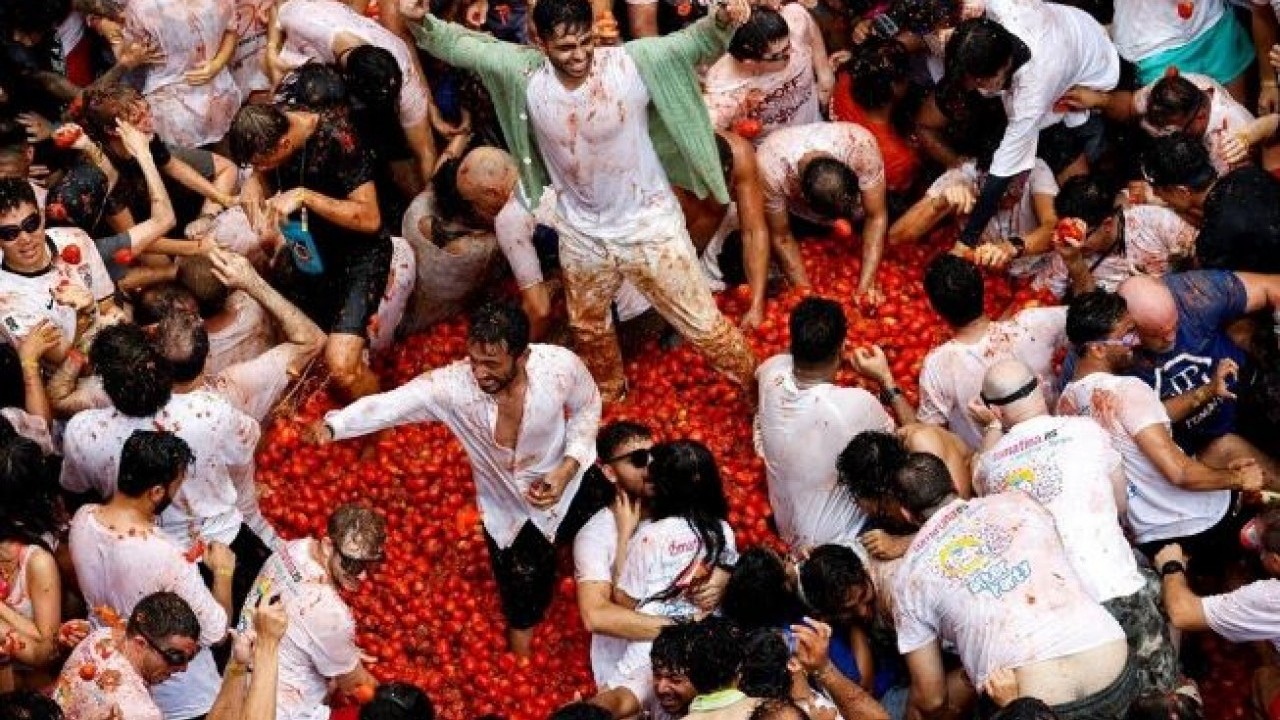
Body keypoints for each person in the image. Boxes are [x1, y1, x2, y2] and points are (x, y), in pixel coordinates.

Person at [397, 0, 759, 403]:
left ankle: (758, 393)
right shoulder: (524, 73)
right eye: (566, 48)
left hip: (649, 224)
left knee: (704, 325)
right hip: (582, 231)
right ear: (539, 42)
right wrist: (420, 21)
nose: (580, 56)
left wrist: (724, 19)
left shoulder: (631, 64)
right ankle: (609, 394)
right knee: (588, 325)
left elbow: (694, 42)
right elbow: (464, 47)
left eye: (586, 42)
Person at [310, 303, 601, 656]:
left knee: (608, 514)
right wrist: (335, 425)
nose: (479, 373)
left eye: (492, 364)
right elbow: (392, 404)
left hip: (570, 483)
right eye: (474, 360)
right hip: (508, 512)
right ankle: (520, 660)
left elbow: (587, 406)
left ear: (523, 356)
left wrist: (568, 466)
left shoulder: (559, 368)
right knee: (522, 598)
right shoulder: (453, 388)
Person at [971, 359, 1180, 702]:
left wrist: (992, 428)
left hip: (1066, 618)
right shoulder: (1087, 431)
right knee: (1161, 698)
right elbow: (1121, 505)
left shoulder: (991, 466)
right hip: (1117, 585)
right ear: (1040, 384)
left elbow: (981, 481)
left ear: (995, 409)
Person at [59, 323, 264, 615]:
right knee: (237, 631)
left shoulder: (83, 431)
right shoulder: (210, 411)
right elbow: (248, 444)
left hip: (137, 558)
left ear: (102, 382)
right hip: (219, 545)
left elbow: (75, 493)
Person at [1059, 290, 1266, 564]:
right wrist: (1239, 480)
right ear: (1098, 348)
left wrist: (1207, 391)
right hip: (1199, 520)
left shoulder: (1067, 403)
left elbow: (1141, 422)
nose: (1137, 341)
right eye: (1129, 333)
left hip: (1150, 535)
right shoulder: (1127, 389)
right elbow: (1180, 473)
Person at [152, 248, 327, 550]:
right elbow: (313, 339)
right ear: (207, 358)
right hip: (239, 519)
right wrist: (253, 282)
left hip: (173, 539)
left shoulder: (127, 408)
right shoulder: (235, 388)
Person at [226, 101, 390, 400]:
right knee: (294, 332)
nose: (260, 170)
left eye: (262, 163)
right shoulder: (274, 116)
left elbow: (370, 219)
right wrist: (252, 181)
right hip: (308, 242)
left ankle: (381, 427)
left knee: (340, 366)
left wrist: (305, 196)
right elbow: (259, 171)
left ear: (284, 143)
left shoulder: (339, 140)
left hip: (359, 252)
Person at [69, 430, 232, 720]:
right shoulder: (166, 554)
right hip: (177, 696)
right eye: (176, 486)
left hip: (112, 663)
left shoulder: (83, 518)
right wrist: (223, 572)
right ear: (156, 492)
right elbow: (216, 633)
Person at [943, 3, 1119, 257]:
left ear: (1004, 66)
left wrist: (966, 241)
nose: (973, 88)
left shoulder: (1032, 91)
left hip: (1095, 67)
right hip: (1074, 28)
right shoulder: (1002, 8)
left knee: (1082, 139)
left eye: (980, 81)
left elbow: (1002, 172)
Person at [596, 441, 737, 718]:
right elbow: (729, 565)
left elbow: (624, 600)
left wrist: (625, 533)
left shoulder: (651, 536)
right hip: (703, 647)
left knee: (616, 703)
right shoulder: (722, 530)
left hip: (653, 650)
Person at [755, 297, 895, 553]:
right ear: (842, 350)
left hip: (788, 533)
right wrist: (885, 378)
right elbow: (907, 437)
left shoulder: (769, 373)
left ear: (791, 344)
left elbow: (775, 363)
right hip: (840, 548)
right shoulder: (852, 406)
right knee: (922, 441)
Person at [1114, 270, 1280, 475]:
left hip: (1249, 395)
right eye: (1157, 334)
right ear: (1129, 329)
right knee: (1225, 450)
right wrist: (1207, 391)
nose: (1170, 338)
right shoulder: (1110, 352)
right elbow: (1143, 423)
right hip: (1200, 443)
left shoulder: (1195, 294)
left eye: (1175, 325)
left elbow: (1271, 287)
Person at [267, 0, 437, 192]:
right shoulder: (305, 19)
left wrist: (428, 202)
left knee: (395, 148)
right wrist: (271, 50)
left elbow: (425, 150)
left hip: (351, 87)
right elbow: (277, 7)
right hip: (305, 79)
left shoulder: (400, 64)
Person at [239, 503, 383, 720]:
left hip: (242, 676)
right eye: (353, 565)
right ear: (327, 545)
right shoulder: (327, 610)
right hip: (281, 707)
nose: (362, 576)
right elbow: (355, 684)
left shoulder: (296, 548)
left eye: (371, 565)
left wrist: (343, 652)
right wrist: (391, 703)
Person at [917, 254, 1068, 449]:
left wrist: (888, 383)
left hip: (991, 462)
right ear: (983, 290)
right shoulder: (1033, 324)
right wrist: (1074, 262)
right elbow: (1098, 318)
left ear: (935, 309)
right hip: (1055, 440)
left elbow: (930, 436)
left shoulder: (938, 365)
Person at [1154, 510, 1280, 720]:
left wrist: (1171, 565)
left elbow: (1182, 613)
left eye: (1262, 553)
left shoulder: (1271, 597)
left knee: (1264, 677)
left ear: (1276, 561)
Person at [574, 423, 670, 691]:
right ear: (609, 471)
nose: (651, 467)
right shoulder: (597, 534)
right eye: (638, 460)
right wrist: (677, 629)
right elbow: (596, 615)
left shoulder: (680, 513)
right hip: (625, 679)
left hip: (683, 675)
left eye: (657, 456)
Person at [755, 121, 889, 299]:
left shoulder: (860, 146)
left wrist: (865, 286)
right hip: (793, 211)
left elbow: (876, 216)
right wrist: (807, 294)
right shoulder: (770, 167)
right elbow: (782, 236)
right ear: (802, 196)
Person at [0, 178, 122, 362]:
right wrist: (85, 315)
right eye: (10, 233)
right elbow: (63, 360)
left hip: (109, 347)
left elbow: (107, 305)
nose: (25, 238)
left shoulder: (76, 239)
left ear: (41, 216)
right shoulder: (6, 301)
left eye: (31, 223)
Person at [1032, 174, 1198, 300]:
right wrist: (1075, 264)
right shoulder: (1068, 251)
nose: (1076, 244)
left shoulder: (1158, 222)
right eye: (1066, 232)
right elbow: (1043, 302)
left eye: (1082, 235)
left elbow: (1203, 265)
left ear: (1107, 225)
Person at [1142, 133, 1280, 275]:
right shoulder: (1250, 174)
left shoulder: (1213, 241)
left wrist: (1179, 263)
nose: (1156, 195)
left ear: (1182, 191)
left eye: (1157, 189)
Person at [53, 591, 202, 720]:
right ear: (140, 644)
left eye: (191, 657)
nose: (184, 668)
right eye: (176, 657)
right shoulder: (141, 713)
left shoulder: (100, 637)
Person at [701, 4, 833, 139]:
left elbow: (809, 27)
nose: (791, 52)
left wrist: (825, 74)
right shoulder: (721, 94)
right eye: (780, 55)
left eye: (789, 44)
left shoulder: (795, 19)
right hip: (776, 149)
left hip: (816, 124)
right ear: (750, 63)